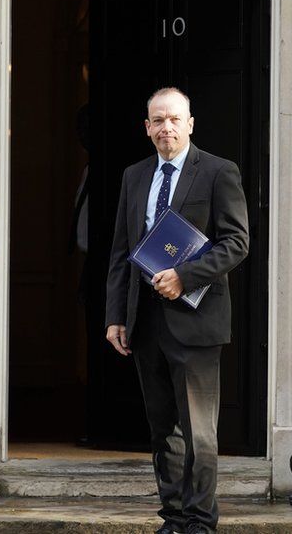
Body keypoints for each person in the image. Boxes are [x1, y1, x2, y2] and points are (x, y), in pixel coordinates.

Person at [104, 87, 249, 534]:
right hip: (145, 321)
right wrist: (115, 315)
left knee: (199, 432)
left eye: (174, 119)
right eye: (157, 120)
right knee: (162, 428)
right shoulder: (134, 175)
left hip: (197, 319)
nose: (166, 127)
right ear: (146, 128)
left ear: (190, 123)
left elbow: (237, 243)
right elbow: (121, 251)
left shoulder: (219, 172)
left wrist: (186, 276)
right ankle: (174, 516)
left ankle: (201, 522)